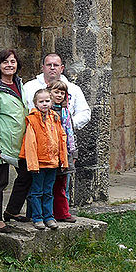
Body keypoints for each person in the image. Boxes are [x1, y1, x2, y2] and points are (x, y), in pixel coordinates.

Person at [0, 49, 28, 234]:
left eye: (13, 62)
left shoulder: (19, 83)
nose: (9, 65)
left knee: (26, 176)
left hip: (20, 143)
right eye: (5, 62)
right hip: (2, 144)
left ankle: (12, 210)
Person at [20, 89, 68, 230]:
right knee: (36, 191)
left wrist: (63, 160)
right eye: (41, 101)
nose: (45, 104)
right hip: (39, 164)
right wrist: (33, 164)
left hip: (52, 163)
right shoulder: (32, 120)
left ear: (51, 101)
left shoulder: (55, 118)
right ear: (36, 103)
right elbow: (30, 143)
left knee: (48, 191)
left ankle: (49, 216)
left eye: (47, 101)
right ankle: (37, 217)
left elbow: (61, 139)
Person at [22, 53, 91, 129]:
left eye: (56, 65)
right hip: (36, 133)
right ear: (43, 68)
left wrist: (68, 124)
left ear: (61, 68)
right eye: (49, 65)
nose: (52, 68)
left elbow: (84, 112)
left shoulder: (74, 89)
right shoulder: (29, 87)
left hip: (64, 135)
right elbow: (21, 111)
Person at [47, 80, 78, 223]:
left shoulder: (66, 112)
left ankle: (62, 213)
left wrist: (73, 153)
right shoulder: (46, 112)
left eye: (62, 93)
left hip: (64, 153)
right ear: (49, 93)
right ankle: (46, 214)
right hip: (50, 153)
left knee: (61, 185)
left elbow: (70, 134)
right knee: (47, 185)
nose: (59, 95)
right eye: (56, 92)